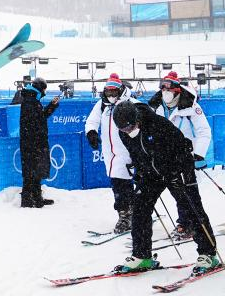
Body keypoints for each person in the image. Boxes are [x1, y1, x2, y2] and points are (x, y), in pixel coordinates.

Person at [112, 101, 220, 274]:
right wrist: (139, 171)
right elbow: (137, 154)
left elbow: (182, 147)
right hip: (152, 173)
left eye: (130, 127)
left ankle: (208, 254)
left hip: (178, 169)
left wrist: (178, 172)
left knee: (192, 209)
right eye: (124, 130)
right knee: (140, 207)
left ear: (137, 119)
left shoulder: (157, 124)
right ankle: (142, 256)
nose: (128, 132)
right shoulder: (124, 132)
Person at [147, 71, 212, 239]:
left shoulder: (190, 106)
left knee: (189, 193)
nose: (165, 91)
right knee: (176, 192)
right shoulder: (156, 106)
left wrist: (198, 154)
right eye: (162, 88)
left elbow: (204, 131)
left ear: (177, 90)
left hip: (185, 156)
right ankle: (184, 221)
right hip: (164, 157)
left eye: (169, 88)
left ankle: (190, 224)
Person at [84, 74, 134, 232]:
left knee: (124, 183)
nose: (111, 96)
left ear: (120, 90)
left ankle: (128, 213)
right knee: (118, 184)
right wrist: (91, 132)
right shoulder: (102, 105)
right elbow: (92, 121)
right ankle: (125, 212)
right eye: (108, 92)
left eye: (114, 92)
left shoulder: (130, 104)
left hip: (127, 151)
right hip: (110, 154)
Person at [18, 77, 60, 208]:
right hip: (32, 143)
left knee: (35, 171)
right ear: (40, 88)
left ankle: (36, 197)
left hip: (34, 142)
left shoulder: (32, 100)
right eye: (44, 90)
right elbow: (36, 121)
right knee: (30, 171)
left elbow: (40, 118)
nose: (45, 92)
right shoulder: (30, 101)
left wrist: (52, 106)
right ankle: (28, 200)